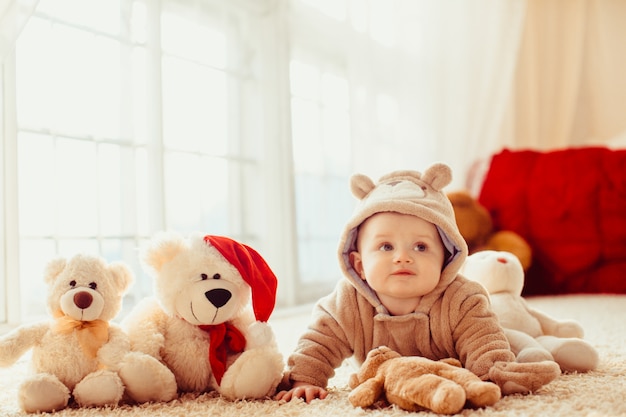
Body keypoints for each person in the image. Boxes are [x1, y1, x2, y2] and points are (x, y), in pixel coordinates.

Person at [275, 164, 560, 403]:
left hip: (450, 368)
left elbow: (483, 339)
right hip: (387, 376)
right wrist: (305, 379)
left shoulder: (461, 298)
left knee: (509, 327)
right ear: (359, 265)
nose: (402, 258)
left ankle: (546, 336)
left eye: (421, 247)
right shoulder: (347, 303)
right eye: (386, 247)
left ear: (446, 259)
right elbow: (320, 341)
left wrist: (493, 371)